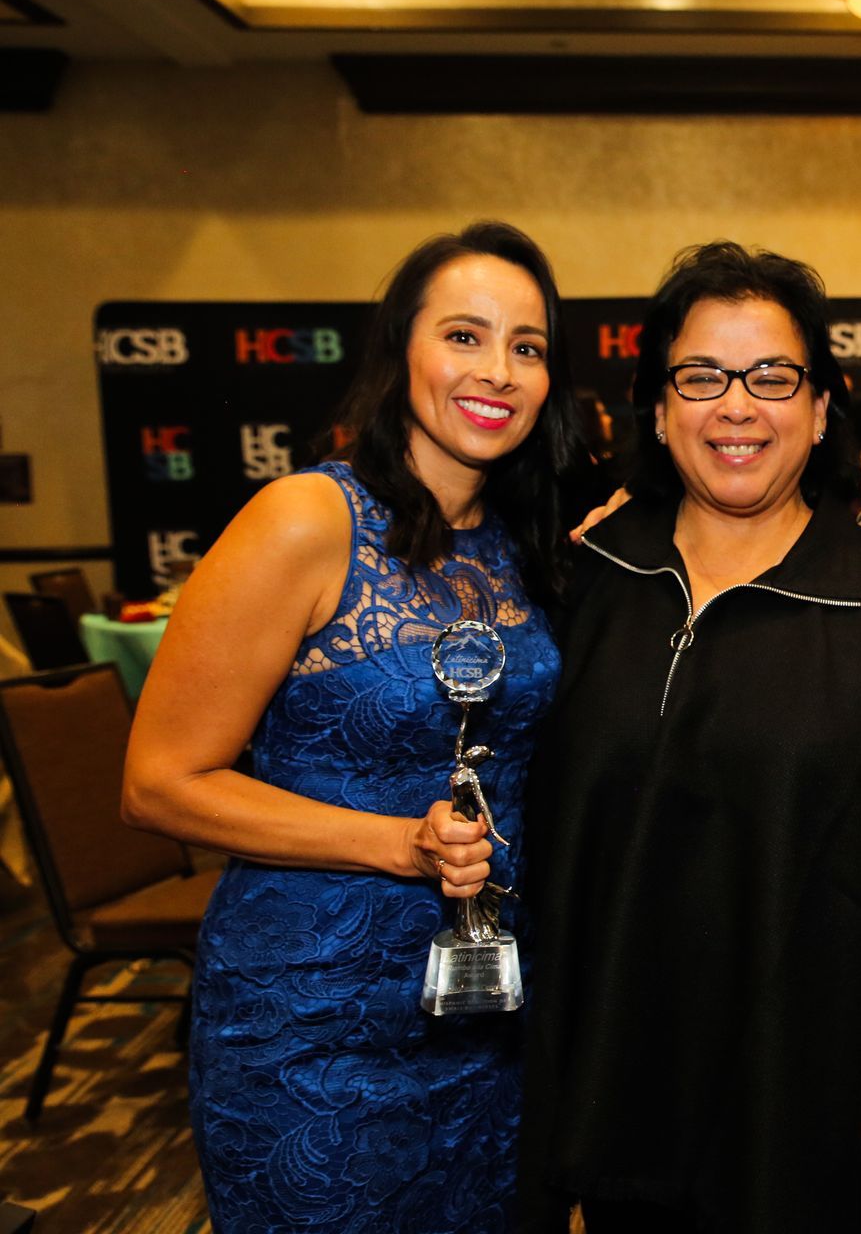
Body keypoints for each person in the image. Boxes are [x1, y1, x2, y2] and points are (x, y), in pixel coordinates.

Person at [520, 241, 861, 1231]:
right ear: (661, 403)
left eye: (772, 376)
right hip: (622, 1066)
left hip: (811, 1083)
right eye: (702, 376)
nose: (736, 405)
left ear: (817, 406)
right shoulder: (590, 578)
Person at [121, 220, 584, 1231]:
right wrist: (392, 843)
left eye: (528, 345)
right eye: (464, 335)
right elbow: (158, 779)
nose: (497, 369)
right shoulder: (307, 519)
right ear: (399, 350)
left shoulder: (520, 544)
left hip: (487, 1015)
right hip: (310, 1022)